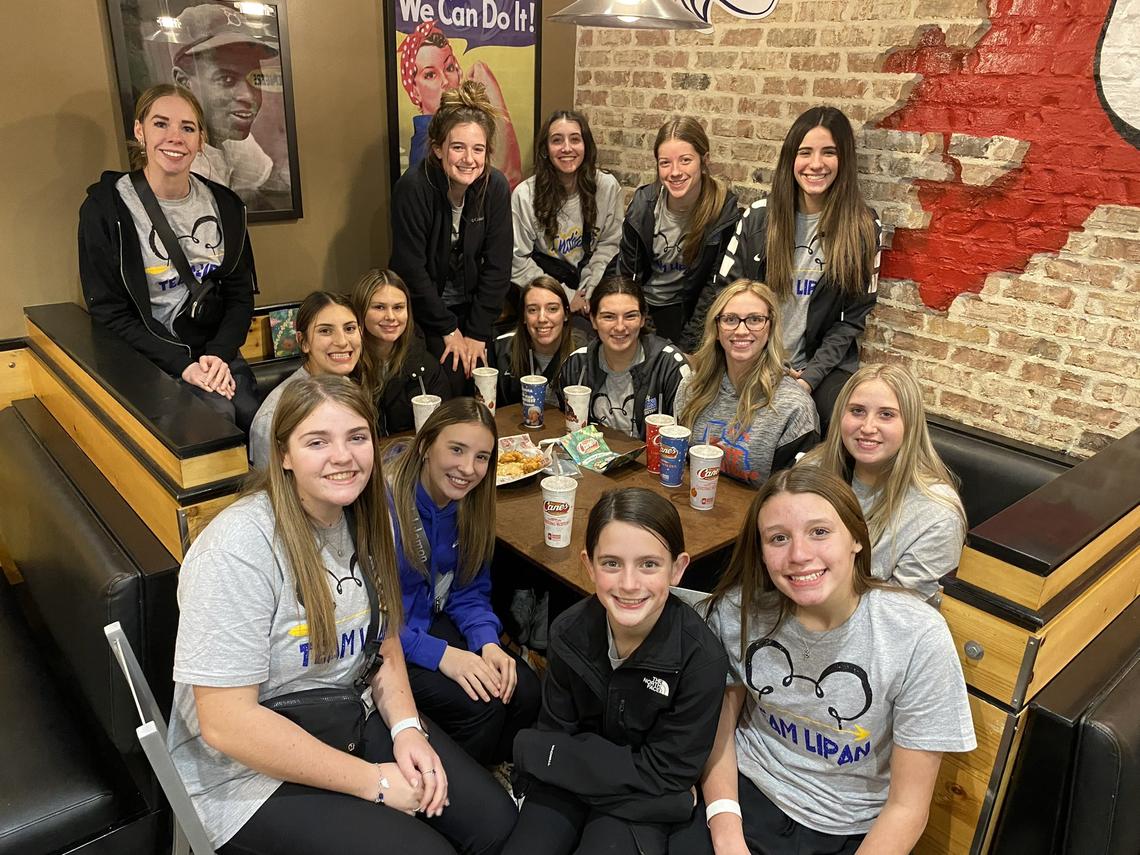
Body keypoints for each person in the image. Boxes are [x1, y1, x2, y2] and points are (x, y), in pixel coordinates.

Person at [168, 374, 517, 854]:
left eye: (356, 438)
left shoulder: (362, 517)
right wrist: (372, 782)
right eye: (317, 441)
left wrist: (407, 729)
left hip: (346, 712)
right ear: (284, 454)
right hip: (246, 774)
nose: (343, 456)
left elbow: (385, 641)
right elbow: (227, 724)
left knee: (494, 823)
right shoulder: (238, 548)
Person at [702, 467, 975, 855]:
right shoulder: (737, 611)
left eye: (819, 532)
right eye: (779, 538)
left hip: (849, 827)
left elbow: (907, 807)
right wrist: (727, 831)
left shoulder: (916, 635)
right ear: (761, 553)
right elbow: (719, 728)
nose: (799, 555)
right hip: (746, 793)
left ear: (856, 539)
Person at [503, 488, 728, 855]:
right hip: (637, 793)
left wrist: (543, 755)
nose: (628, 583)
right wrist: (672, 802)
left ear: (678, 568)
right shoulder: (567, 631)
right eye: (611, 563)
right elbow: (555, 731)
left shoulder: (702, 659)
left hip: (638, 804)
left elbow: (667, 772)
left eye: (649, 564)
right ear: (588, 565)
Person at [688, 107, 881, 433]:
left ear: (844, 159)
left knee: (841, 420)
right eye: (805, 152)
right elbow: (725, 294)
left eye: (829, 152)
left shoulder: (863, 226)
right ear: (791, 158)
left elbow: (851, 321)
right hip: (752, 354)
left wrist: (808, 379)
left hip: (819, 367)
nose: (816, 164)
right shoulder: (759, 218)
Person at [79, 83, 259, 430]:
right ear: (139, 131)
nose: (175, 137)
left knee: (261, 422)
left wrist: (219, 355)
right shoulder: (105, 209)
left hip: (215, 352)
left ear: (200, 140)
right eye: (161, 124)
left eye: (187, 128)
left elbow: (240, 295)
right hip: (154, 360)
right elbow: (109, 312)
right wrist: (182, 366)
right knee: (214, 425)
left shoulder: (226, 205)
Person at [387, 398, 540, 765]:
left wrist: (487, 643)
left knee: (525, 690)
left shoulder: (469, 504)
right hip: (389, 642)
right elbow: (370, 620)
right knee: (481, 706)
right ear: (426, 446)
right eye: (456, 450)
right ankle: (451, 790)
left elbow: (469, 589)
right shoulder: (386, 505)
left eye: (482, 457)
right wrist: (441, 655)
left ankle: (496, 776)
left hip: (429, 619)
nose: (468, 469)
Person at [800, 365, 966, 603]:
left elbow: (897, 617)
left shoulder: (937, 516)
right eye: (857, 411)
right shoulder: (813, 469)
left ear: (910, 424)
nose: (867, 428)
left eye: (886, 414)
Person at [390, 81, 513, 397]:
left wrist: (476, 332)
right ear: (438, 149)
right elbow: (411, 270)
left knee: (490, 375)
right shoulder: (413, 188)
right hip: (423, 311)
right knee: (450, 377)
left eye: (478, 149)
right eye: (458, 147)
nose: (469, 159)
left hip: (473, 309)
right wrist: (448, 330)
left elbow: (499, 266)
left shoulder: (495, 187)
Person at [675, 280, 818, 486]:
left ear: (770, 328)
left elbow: (793, 495)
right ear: (716, 329)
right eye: (730, 319)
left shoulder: (795, 407)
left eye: (755, 319)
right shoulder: (692, 387)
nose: (741, 330)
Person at [614, 117, 740, 347]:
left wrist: (688, 346)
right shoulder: (643, 205)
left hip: (691, 312)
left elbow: (715, 287)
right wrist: (643, 332)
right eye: (665, 163)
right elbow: (628, 277)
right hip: (645, 308)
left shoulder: (723, 212)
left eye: (685, 161)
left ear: (704, 162)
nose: (674, 172)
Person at [168, 3, 290, 203]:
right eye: (226, 79)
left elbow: (265, 188)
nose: (249, 97)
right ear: (183, 82)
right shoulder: (176, 163)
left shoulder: (229, 137)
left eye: (254, 78)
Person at [511, 110, 623, 314]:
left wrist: (590, 292)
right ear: (545, 149)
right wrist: (564, 296)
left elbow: (610, 244)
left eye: (575, 139)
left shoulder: (607, 187)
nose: (567, 148)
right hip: (545, 290)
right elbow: (518, 261)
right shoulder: (525, 195)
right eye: (556, 140)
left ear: (586, 146)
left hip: (594, 283)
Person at [559, 276, 689, 440]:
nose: (620, 327)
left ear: (642, 319)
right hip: (589, 460)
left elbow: (685, 437)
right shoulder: (577, 364)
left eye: (630, 316)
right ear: (593, 320)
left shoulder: (669, 365)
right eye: (608, 317)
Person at [398, 20, 522, 187]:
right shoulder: (423, 149)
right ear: (414, 89)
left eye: (449, 68)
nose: (445, 81)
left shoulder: (493, 185)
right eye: (430, 75)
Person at [249, 291, 362, 468]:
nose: (342, 341)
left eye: (349, 329)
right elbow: (268, 490)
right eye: (325, 331)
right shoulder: (273, 415)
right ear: (303, 342)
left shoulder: (350, 389)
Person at [351, 269, 451, 435]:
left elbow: (447, 424)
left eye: (398, 307)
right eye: (379, 307)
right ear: (360, 312)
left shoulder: (425, 364)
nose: (390, 316)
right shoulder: (346, 365)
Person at [492, 276, 584, 407]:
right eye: (533, 310)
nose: (542, 318)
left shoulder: (584, 354)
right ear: (524, 316)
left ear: (566, 314)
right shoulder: (501, 349)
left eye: (552, 309)